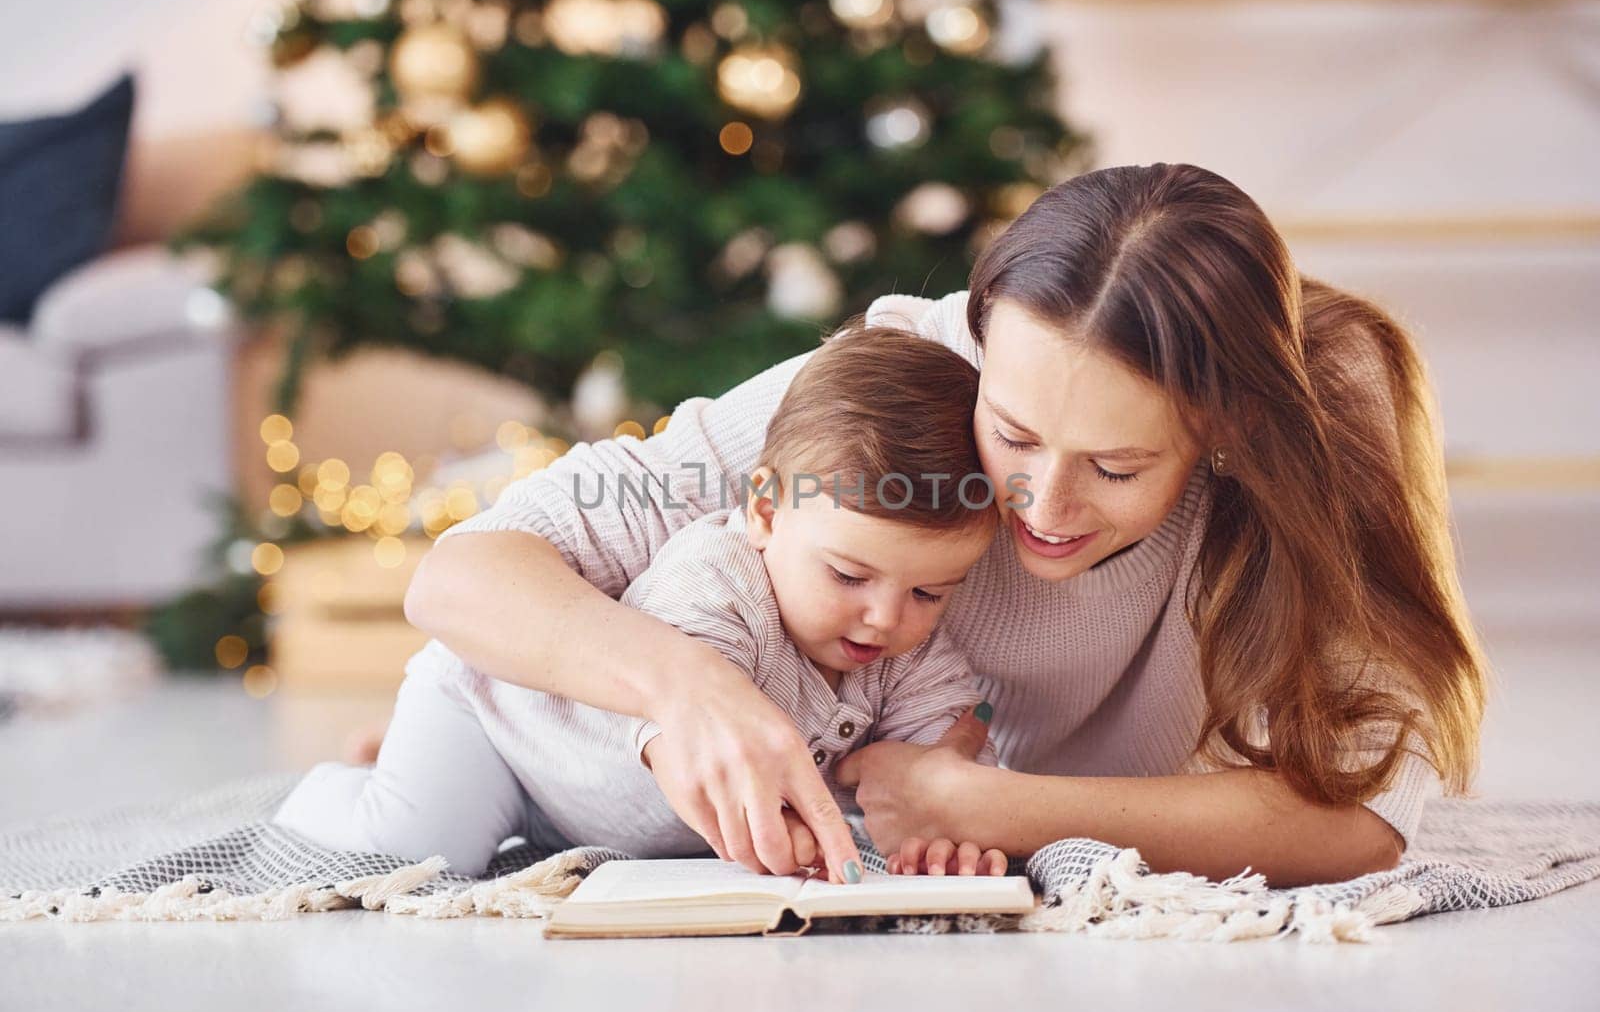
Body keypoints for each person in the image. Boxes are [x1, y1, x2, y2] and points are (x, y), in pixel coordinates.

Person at [405, 163, 1489, 888]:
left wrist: (994, 806)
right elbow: (462, 575)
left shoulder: (1314, 425)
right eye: (1011, 435)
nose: (1042, 504)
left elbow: (1362, 819)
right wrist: (689, 686)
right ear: (977, 342)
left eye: (1115, 465)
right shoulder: (903, 386)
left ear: (1223, 430)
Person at [274, 327, 1006, 880]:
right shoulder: (716, 582)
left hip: (591, 808)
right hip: (504, 729)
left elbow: (944, 770)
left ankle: (393, 751)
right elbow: (709, 763)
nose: (886, 616)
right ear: (767, 514)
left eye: (928, 591)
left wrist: (944, 826)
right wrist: (809, 839)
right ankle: (334, 789)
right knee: (416, 850)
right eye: (849, 576)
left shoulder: (911, 654)